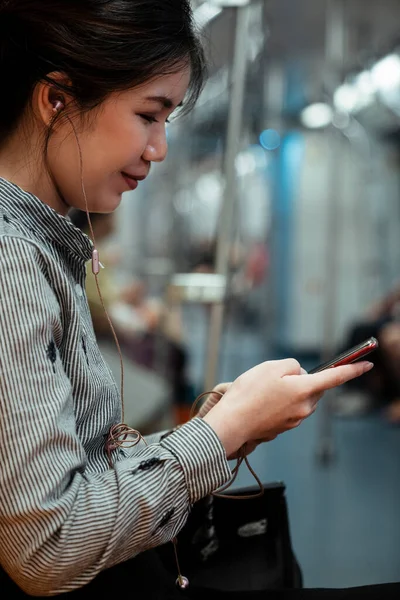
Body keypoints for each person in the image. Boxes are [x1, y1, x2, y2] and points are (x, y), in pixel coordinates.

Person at [0, 2, 397, 599]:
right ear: (57, 100)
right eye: (147, 115)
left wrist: (224, 425)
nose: (158, 149)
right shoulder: (12, 259)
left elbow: (78, 469)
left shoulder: (44, 244)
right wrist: (223, 431)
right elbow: (50, 544)